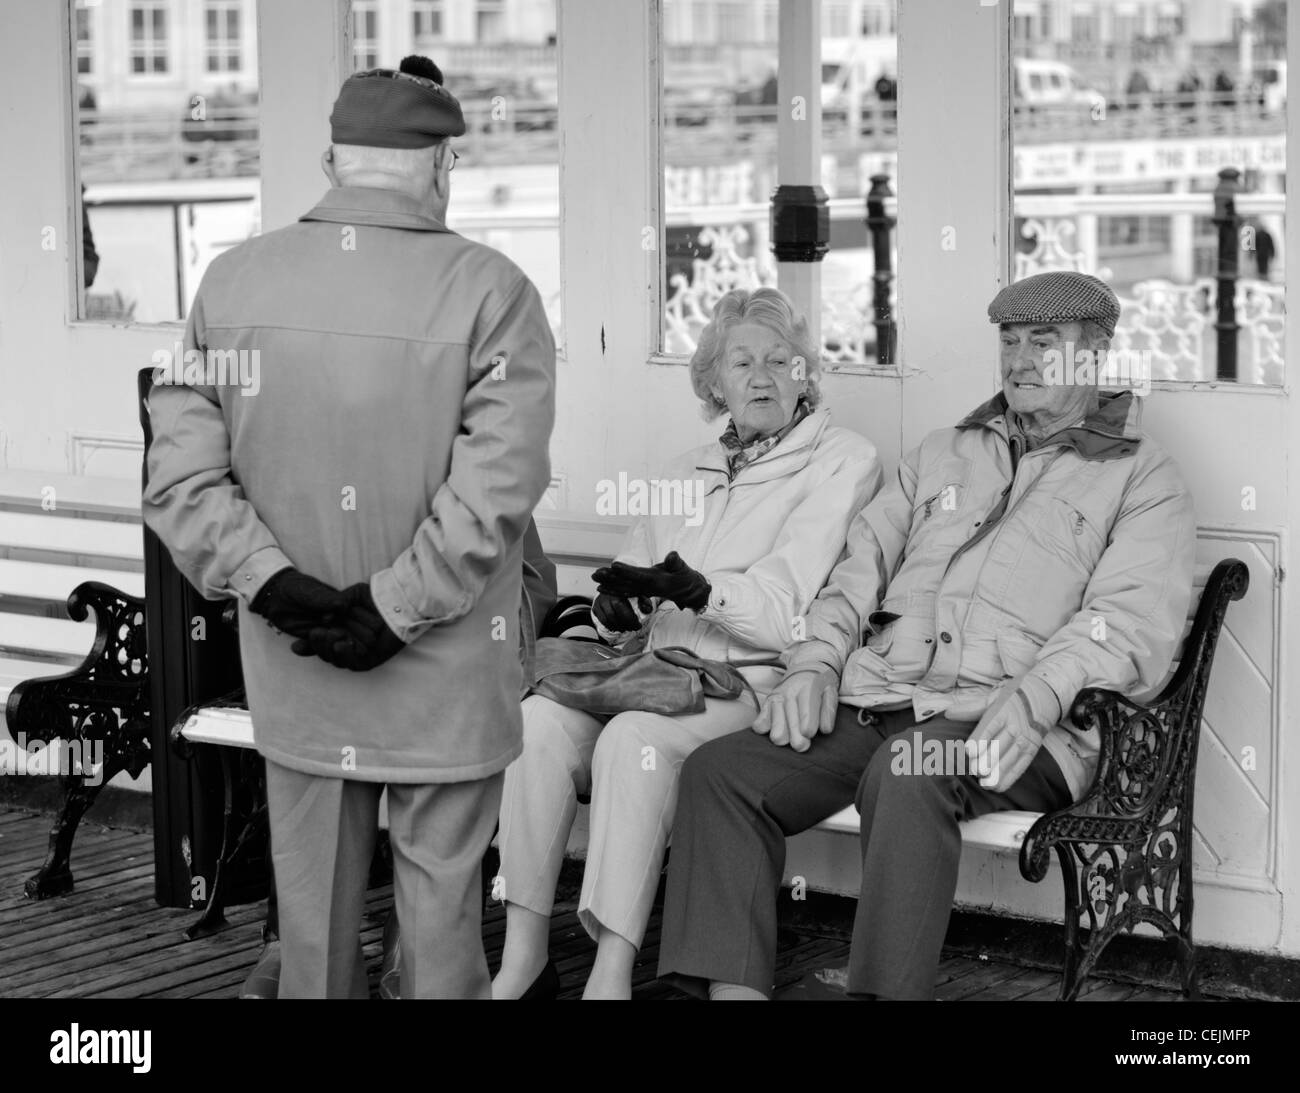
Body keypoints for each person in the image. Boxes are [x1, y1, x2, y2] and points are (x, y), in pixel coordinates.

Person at [656, 271, 1197, 1000]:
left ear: (1095, 355)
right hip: (884, 697)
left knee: (909, 772)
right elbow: (861, 567)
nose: (1021, 357)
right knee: (721, 774)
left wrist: (1038, 693)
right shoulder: (945, 452)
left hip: (1019, 722)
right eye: (1010, 340)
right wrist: (815, 662)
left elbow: (1127, 623)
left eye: (1045, 341)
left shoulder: (1143, 478)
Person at [143, 55, 556, 998]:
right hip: (444, 680)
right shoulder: (494, 290)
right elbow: (497, 491)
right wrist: (389, 610)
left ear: (332, 159)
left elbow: (177, 475)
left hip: (297, 674)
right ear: (444, 164)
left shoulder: (230, 283)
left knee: (315, 935)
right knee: (442, 932)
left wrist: (273, 584)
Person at [492, 287, 882, 1000]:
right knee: (535, 725)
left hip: (745, 685)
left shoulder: (843, 462)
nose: (761, 377)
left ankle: (610, 974)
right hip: (645, 670)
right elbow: (633, 587)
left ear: (805, 374)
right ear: (714, 381)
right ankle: (523, 960)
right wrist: (616, 610)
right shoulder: (685, 468)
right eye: (741, 362)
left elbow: (788, 611)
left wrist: (704, 591)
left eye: (779, 360)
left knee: (630, 740)